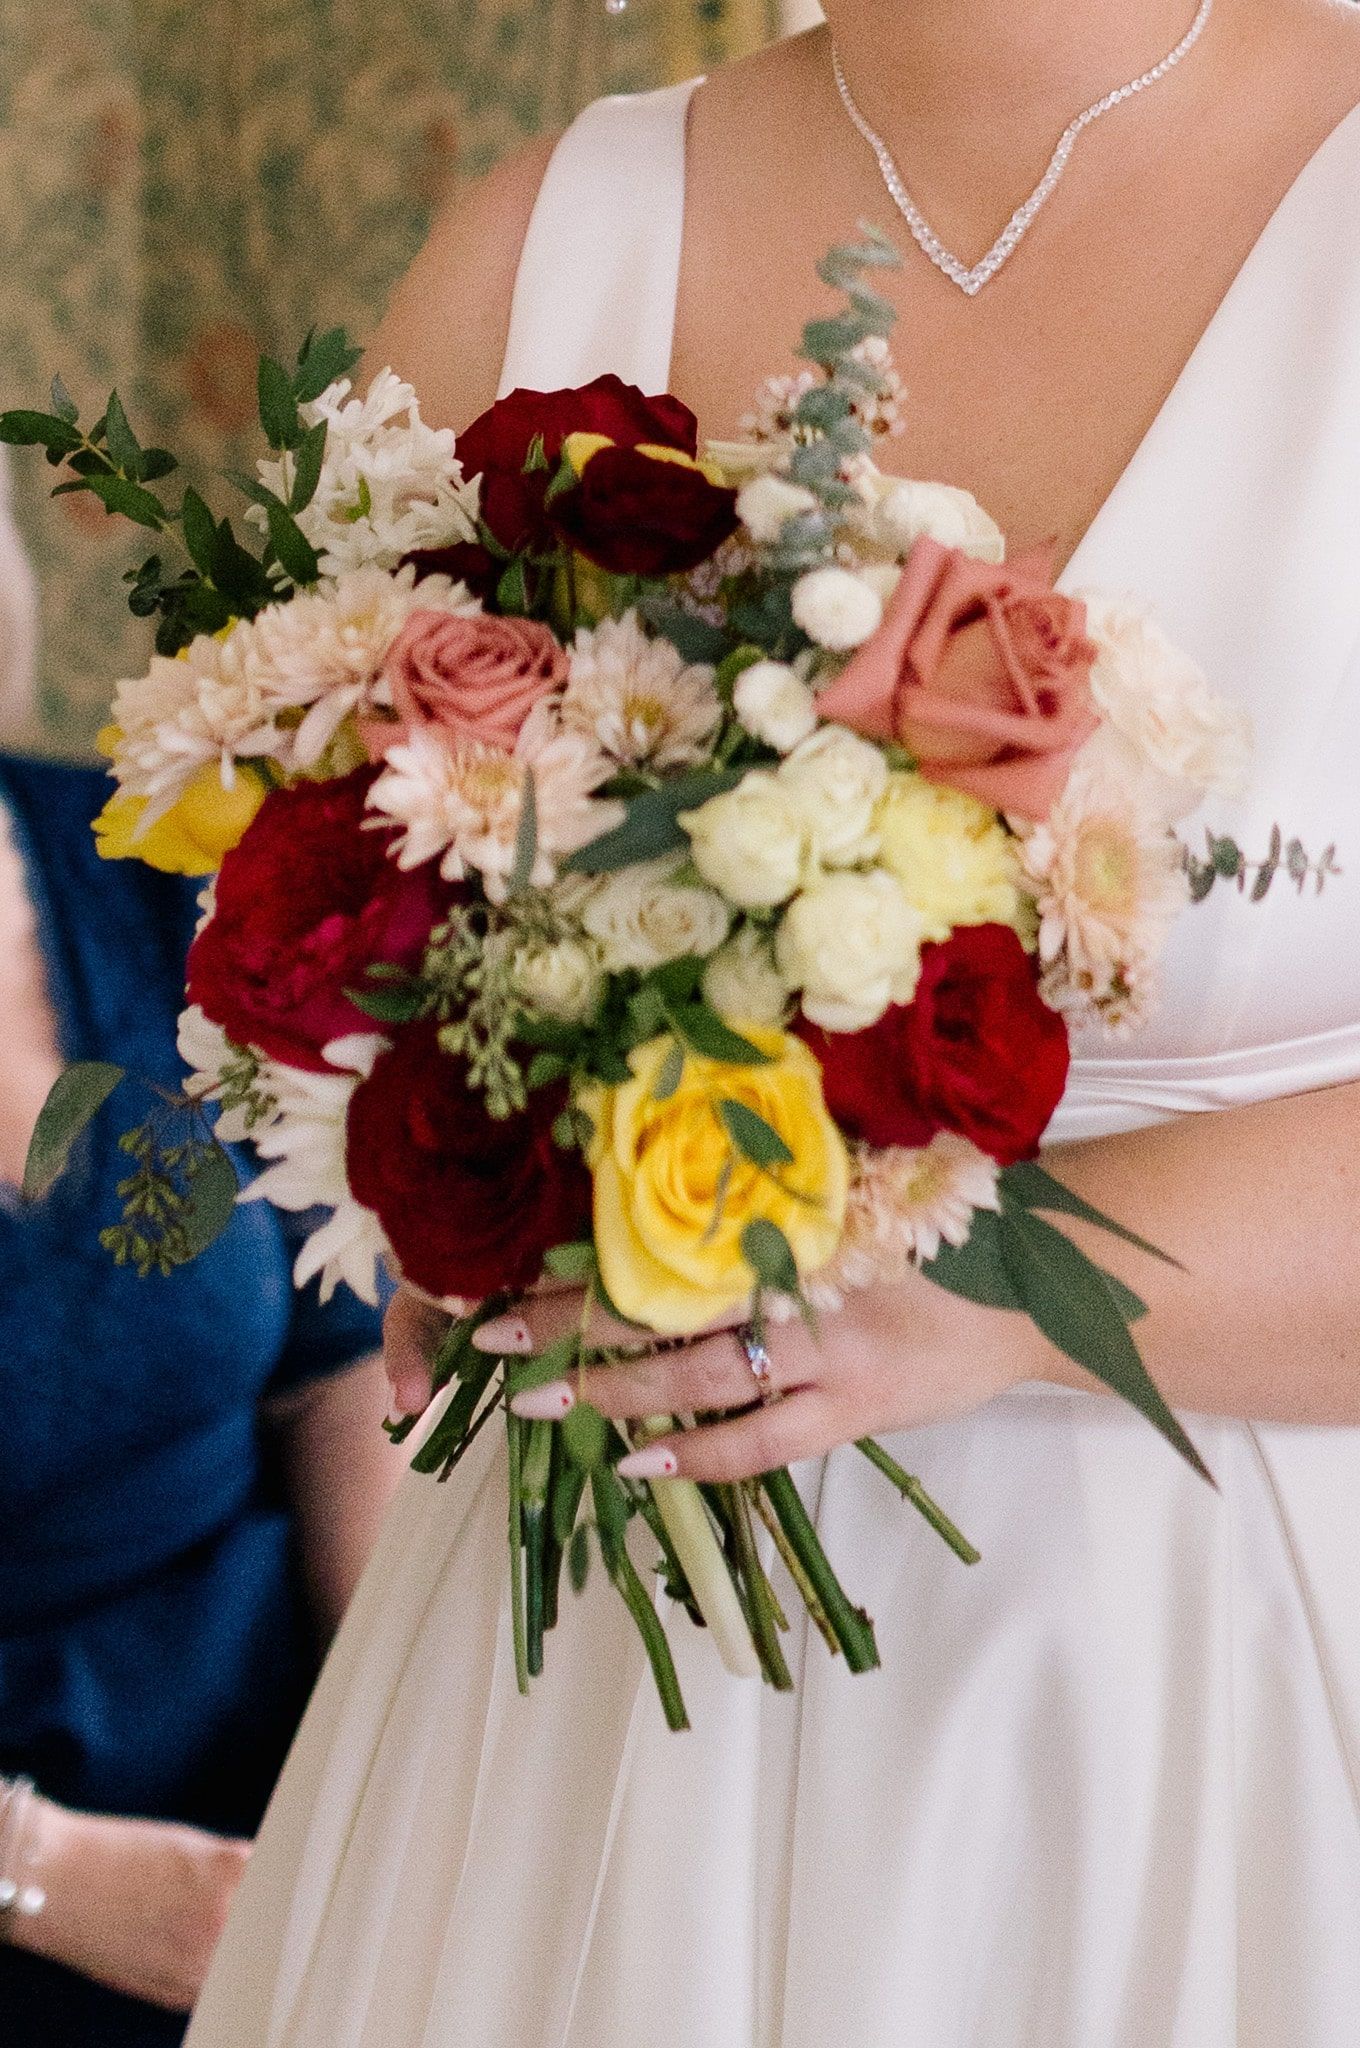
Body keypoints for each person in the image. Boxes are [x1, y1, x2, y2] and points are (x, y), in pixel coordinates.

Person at [183, 3, 1360, 2042]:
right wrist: (459, 1205)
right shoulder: (537, 243)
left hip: (1229, 1681)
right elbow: (354, 920)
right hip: (596, 1693)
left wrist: (971, 1298)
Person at [0, 465, 404, 2045]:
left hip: (265, 1790)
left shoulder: (146, 871)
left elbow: (335, 1362)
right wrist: (48, 1877)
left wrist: (393, 1739)